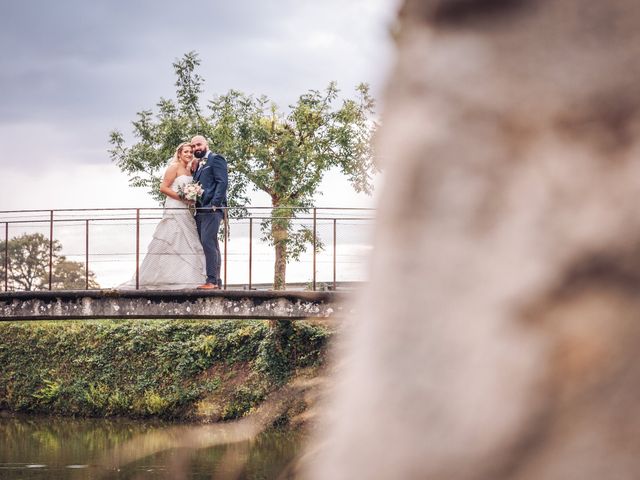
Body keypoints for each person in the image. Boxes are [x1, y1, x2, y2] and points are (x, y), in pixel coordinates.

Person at [119, 142, 206, 289]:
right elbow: (163, 188)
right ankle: (156, 276)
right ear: (179, 154)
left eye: (191, 152)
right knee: (170, 238)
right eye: (186, 152)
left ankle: (184, 277)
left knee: (187, 241)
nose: (189, 154)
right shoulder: (173, 167)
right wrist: (182, 197)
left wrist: (192, 197)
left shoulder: (190, 170)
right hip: (174, 207)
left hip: (186, 209)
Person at [191, 135, 228, 290]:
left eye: (198, 144)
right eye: (193, 146)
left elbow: (222, 181)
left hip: (212, 209)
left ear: (206, 144)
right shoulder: (199, 164)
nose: (196, 148)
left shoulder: (216, 159)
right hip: (200, 210)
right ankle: (216, 281)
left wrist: (215, 204)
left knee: (208, 242)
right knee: (211, 244)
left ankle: (211, 281)